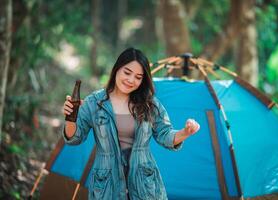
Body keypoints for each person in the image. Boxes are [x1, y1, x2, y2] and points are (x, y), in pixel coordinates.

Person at [63, 47, 200, 200]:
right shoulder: (94, 102)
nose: (131, 80)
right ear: (117, 69)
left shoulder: (149, 104)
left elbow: (164, 134)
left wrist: (185, 132)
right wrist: (70, 118)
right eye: (127, 73)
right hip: (107, 186)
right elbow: (75, 138)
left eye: (138, 77)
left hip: (145, 185)